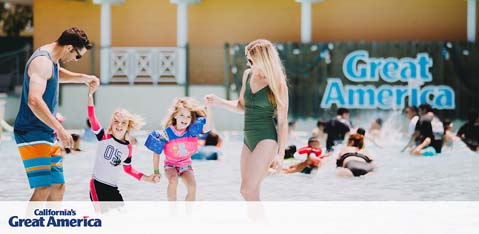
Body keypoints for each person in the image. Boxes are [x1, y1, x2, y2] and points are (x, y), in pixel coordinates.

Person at [13, 27, 99, 201]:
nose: (76, 60)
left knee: (58, 187)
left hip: (45, 131)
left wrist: (84, 77)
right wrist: (59, 128)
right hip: (31, 131)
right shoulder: (42, 61)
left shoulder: (51, 57)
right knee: (43, 188)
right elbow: (34, 100)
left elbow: (54, 74)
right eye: (78, 55)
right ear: (69, 47)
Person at [204, 39, 289, 201]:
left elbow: (283, 122)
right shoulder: (248, 75)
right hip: (248, 139)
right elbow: (241, 106)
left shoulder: (278, 83)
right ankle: (258, 225)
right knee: (251, 192)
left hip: (267, 139)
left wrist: (281, 154)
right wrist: (218, 101)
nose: (249, 63)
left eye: (251, 60)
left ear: (263, 59)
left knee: (246, 189)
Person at [87, 85, 158, 208]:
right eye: (116, 121)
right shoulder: (104, 137)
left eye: (123, 122)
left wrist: (148, 178)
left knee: (121, 218)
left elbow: (128, 169)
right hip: (97, 185)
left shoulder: (128, 148)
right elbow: (92, 117)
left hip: (113, 189)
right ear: (111, 124)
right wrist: (90, 95)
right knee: (103, 219)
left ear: (127, 126)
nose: (119, 125)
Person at [145, 97, 212, 201]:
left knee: (192, 186)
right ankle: (173, 211)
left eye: (188, 117)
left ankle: (189, 214)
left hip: (186, 165)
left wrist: (209, 107)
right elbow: (156, 152)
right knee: (173, 180)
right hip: (170, 165)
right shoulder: (167, 134)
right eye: (182, 115)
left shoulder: (191, 131)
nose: (185, 119)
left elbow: (208, 127)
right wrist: (156, 172)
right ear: (175, 115)